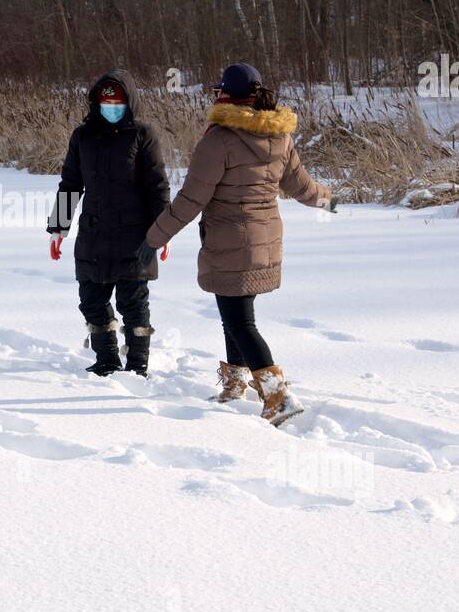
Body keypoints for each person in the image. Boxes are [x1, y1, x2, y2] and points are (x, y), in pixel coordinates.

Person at [137, 63, 334, 425]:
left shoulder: (220, 139)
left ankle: (278, 395)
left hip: (231, 241)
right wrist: (327, 200)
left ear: (225, 95)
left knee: (239, 320)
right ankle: (234, 383)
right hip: (265, 240)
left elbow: (191, 199)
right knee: (236, 314)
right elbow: (300, 186)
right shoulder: (279, 136)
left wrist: (154, 237)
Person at [48, 70, 171, 376]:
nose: (112, 105)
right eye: (106, 100)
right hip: (94, 233)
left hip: (135, 236)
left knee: (134, 303)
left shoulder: (143, 135)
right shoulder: (82, 136)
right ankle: (107, 361)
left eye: (118, 100)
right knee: (91, 298)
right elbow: (70, 185)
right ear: (95, 102)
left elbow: (158, 186)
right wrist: (58, 228)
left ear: (129, 101)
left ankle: (138, 366)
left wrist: (164, 230)